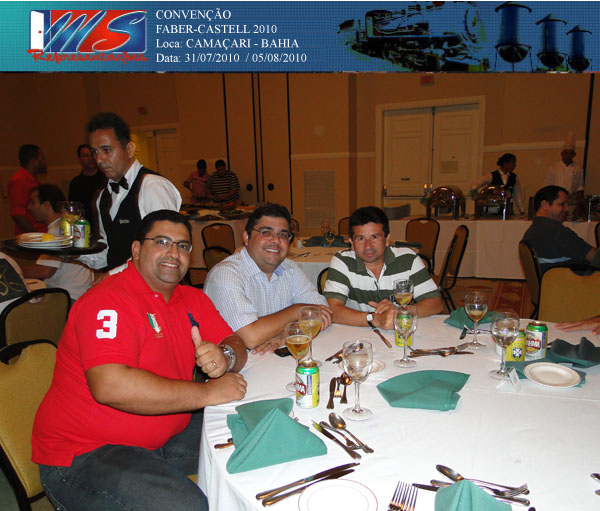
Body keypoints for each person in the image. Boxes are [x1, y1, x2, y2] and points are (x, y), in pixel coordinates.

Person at [32, 209, 248, 511]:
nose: (174, 253)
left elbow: (237, 343)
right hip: (85, 453)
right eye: (162, 242)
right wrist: (207, 392)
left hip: (162, 436)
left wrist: (225, 356)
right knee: (186, 506)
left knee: (251, 436)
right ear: (136, 250)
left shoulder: (192, 299)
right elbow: (111, 386)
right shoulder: (108, 300)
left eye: (183, 246)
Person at [204, 203, 332, 353]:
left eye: (283, 235)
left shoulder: (290, 269)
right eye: (266, 232)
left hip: (273, 359)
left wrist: (286, 334)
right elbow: (251, 337)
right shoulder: (225, 275)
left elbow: (322, 312)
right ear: (246, 237)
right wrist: (296, 310)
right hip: (237, 365)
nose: (275, 240)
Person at [79, 112, 182, 271]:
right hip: (122, 285)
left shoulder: (152, 186)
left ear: (129, 149)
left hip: (152, 285)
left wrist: (112, 276)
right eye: (95, 152)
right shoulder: (103, 197)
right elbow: (109, 253)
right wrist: (72, 251)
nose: (99, 160)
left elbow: (164, 250)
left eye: (106, 150)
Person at [323, 206, 443, 330]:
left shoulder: (408, 259)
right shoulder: (343, 261)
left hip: (399, 332)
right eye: (360, 238)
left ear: (387, 239)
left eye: (375, 237)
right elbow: (332, 310)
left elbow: (435, 302)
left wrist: (397, 312)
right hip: (356, 333)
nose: (368, 246)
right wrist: (375, 319)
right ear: (352, 243)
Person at [22, 184, 93, 300]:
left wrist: (14, 271)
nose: (29, 207)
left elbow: (45, 271)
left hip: (67, 297)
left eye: (32, 202)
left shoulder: (58, 230)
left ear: (46, 205)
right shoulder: (66, 225)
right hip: (78, 293)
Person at [522, 185, 600, 273]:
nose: (567, 208)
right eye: (562, 204)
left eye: (567, 204)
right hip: (573, 280)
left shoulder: (532, 231)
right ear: (545, 205)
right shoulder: (558, 233)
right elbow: (596, 257)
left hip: (549, 280)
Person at [7, 144, 47, 234]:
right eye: (43, 159)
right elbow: (18, 215)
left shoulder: (32, 180)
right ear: (34, 161)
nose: (45, 162)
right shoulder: (19, 180)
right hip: (31, 237)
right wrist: (36, 235)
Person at [544, 133, 584, 219]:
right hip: (556, 201)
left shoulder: (578, 168)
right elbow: (547, 187)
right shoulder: (553, 167)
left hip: (571, 201)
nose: (568, 155)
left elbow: (580, 188)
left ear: (574, 154)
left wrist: (578, 206)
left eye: (570, 153)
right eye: (566, 153)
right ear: (562, 154)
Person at [68, 143, 107, 225]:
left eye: (92, 154)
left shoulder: (106, 179)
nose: (90, 158)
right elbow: (73, 210)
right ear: (80, 159)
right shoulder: (76, 183)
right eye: (86, 155)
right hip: (83, 225)